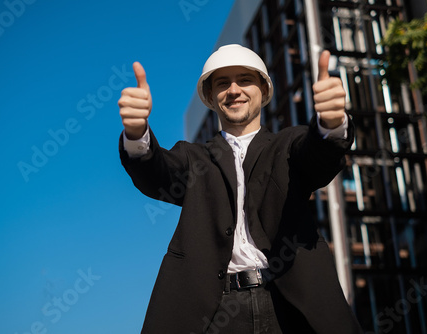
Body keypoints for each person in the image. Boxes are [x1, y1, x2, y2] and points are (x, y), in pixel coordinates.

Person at [118, 44, 363, 333]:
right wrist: (136, 133)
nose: (234, 90)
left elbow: (319, 155)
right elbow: (155, 172)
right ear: (210, 96)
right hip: (214, 311)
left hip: (290, 306)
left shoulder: (289, 145)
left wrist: (332, 123)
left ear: (263, 89)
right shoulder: (192, 157)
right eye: (223, 83)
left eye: (245, 80)